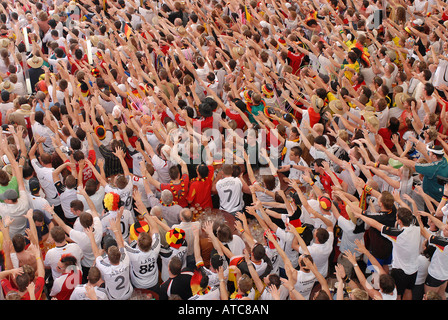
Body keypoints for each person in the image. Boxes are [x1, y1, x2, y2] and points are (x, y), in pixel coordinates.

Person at [86, 213, 133, 300]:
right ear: (119, 255)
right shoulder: (125, 259)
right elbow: (121, 244)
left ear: (108, 257)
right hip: (128, 292)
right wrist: (115, 230)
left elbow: (96, 253)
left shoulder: (105, 268)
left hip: (114, 297)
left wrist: (91, 237)